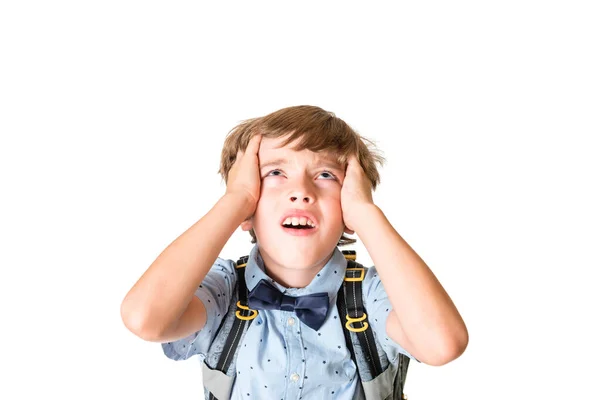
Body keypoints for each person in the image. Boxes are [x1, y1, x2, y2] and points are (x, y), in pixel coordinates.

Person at [120, 105, 469, 399]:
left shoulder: (374, 295)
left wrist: (366, 214)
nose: (300, 192)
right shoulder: (224, 291)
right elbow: (144, 318)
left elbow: (442, 344)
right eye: (275, 173)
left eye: (325, 175)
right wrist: (235, 200)